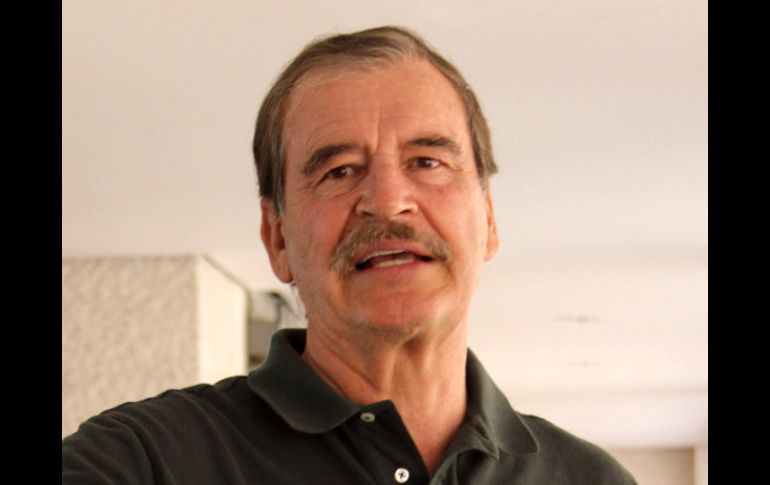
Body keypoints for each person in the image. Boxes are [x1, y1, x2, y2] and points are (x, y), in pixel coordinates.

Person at [62, 26, 637, 484]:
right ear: (277, 238)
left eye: (427, 162)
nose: (387, 200)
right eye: (339, 171)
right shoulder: (141, 461)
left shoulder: (589, 478)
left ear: (487, 219)